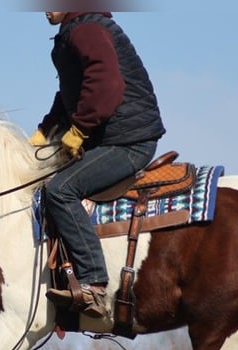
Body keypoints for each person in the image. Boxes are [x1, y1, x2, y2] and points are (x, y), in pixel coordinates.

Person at [31, 11, 165, 319]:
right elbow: (74, 93)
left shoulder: (86, 29)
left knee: (61, 190)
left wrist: (79, 131)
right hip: (112, 138)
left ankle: (94, 284)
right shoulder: (76, 30)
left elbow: (106, 84)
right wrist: (46, 131)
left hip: (128, 141)